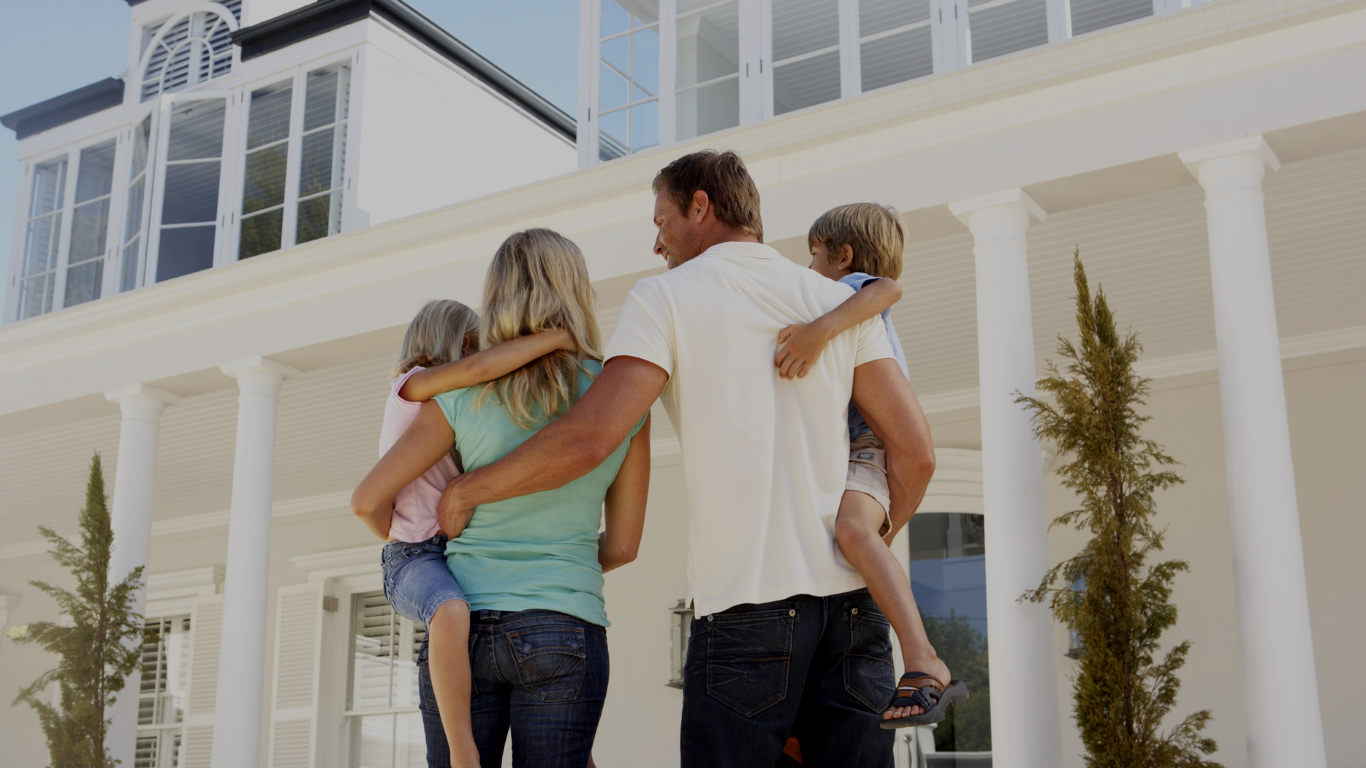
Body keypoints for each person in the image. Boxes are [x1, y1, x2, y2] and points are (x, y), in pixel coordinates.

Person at [434, 151, 938, 768]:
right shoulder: (829, 299)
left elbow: (590, 438)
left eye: (661, 221)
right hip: (855, 615)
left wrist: (467, 491)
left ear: (701, 206)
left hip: (745, 612)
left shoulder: (664, 298)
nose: (656, 244)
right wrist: (866, 545)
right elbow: (914, 455)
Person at [353, 229, 650, 768]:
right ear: (577, 293)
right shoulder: (619, 398)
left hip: (465, 624)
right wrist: (564, 563)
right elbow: (625, 545)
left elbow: (370, 496)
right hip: (565, 620)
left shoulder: (459, 394)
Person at [352, 299, 578, 767]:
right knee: (450, 611)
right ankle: (462, 753)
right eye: (478, 345)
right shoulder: (409, 387)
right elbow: (364, 502)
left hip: (450, 549)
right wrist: (559, 337)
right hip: (412, 556)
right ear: (466, 343)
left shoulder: (454, 407)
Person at [773, 203, 967, 728]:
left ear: (844, 256)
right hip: (859, 443)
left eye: (813, 256)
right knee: (853, 548)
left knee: (855, 533)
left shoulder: (852, 293)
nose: (808, 268)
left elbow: (889, 289)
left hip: (871, 442)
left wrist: (817, 332)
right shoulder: (844, 297)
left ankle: (925, 659)